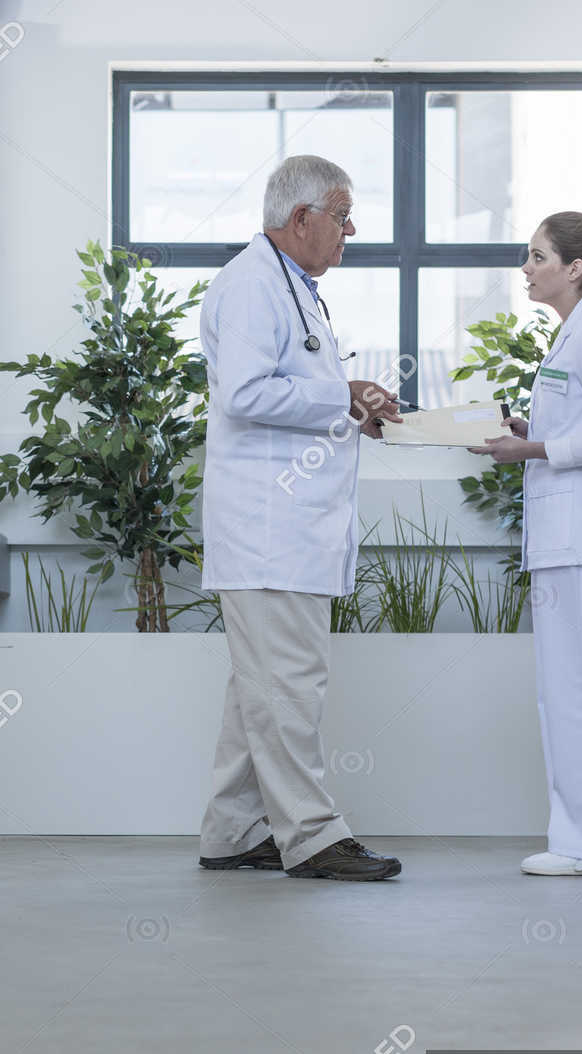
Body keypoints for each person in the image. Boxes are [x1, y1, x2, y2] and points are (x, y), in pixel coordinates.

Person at [195, 154, 404, 882]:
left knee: (259, 687)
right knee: (288, 685)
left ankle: (233, 829)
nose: (351, 230)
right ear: (301, 219)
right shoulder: (253, 285)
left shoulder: (295, 290)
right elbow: (246, 395)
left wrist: (353, 412)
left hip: (286, 529)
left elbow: (298, 393)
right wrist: (339, 397)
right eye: (343, 217)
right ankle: (313, 834)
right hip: (267, 531)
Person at [468, 211, 582, 877]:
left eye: (538, 257)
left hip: (581, 538)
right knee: (568, 691)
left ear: (575, 268)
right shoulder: (575, 335)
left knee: (579, 692)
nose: (527, 268)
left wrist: (531, 446)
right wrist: (526, 428)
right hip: (566, 537)